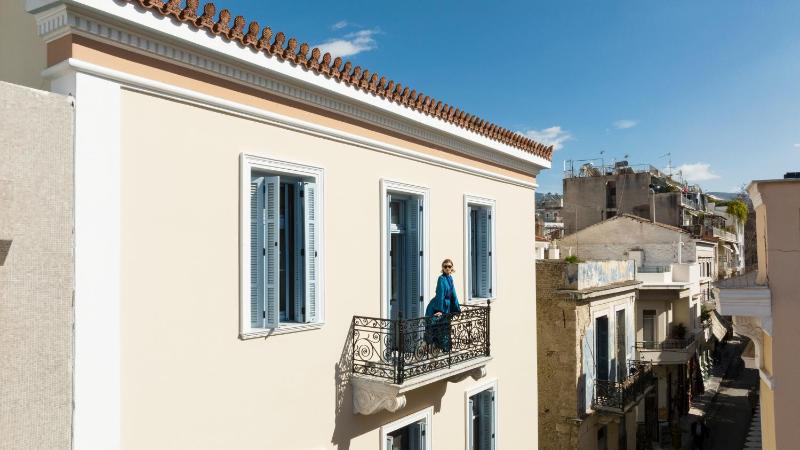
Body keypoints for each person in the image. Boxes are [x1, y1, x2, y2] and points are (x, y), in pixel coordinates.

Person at [424, 259, 462, 351]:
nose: (447, 268)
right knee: (437, 327)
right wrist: (439, 310)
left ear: (452, 268)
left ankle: (444, 349)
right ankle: (432, 347)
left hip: (446, 306)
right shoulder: (441, 279)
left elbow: (453, 294)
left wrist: (457, 309)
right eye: (445, 266)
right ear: (442, 268)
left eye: (449, 266)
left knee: (445, 328)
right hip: (437, 305)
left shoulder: (450, 278)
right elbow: (440, 294)